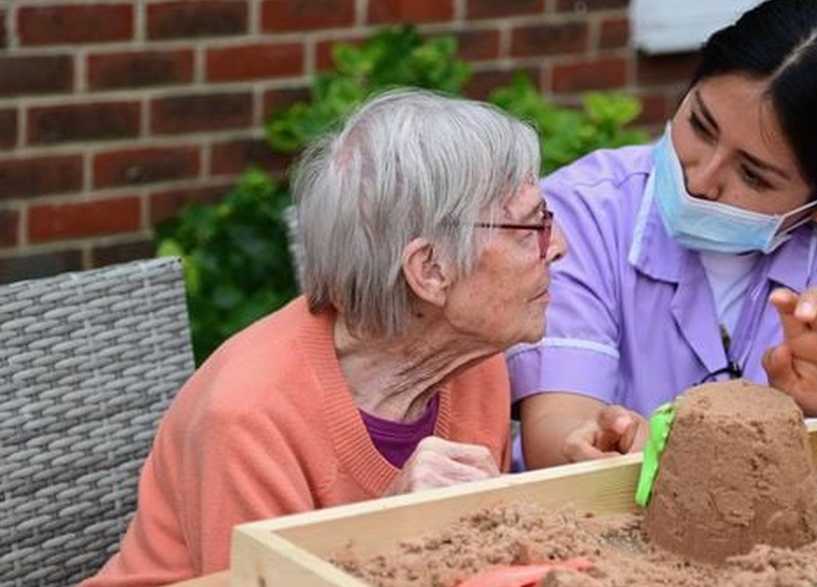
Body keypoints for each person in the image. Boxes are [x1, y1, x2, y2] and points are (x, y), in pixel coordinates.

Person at [84, 89, 566, 585]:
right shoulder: (247, 419)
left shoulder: (471, 359)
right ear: (431, 270)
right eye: (530, 228)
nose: (560, 248)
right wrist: (388, 529)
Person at [509, 0, 817, 470]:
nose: (703, 179)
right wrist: (604, 442)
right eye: (700, 126)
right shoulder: (585, 210)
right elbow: (557, 430)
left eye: (753, 176)